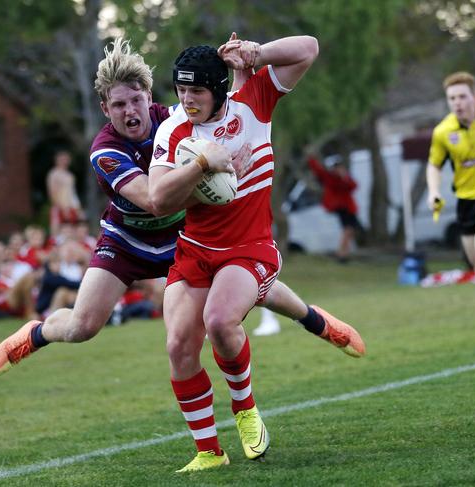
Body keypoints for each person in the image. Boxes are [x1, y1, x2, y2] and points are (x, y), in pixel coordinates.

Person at [0, 38, 363, 385]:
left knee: (254, 286)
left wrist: (246, 62)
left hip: (180, 236)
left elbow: (231, 110)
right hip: (127, 240)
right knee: (82, 326)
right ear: (106, 109)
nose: (129, 111)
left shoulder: (176, 118)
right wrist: (215, 173)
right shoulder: (105, 152)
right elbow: (155, 201)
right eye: (118, 105)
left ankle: (316, 321)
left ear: (148, 96)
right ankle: (36, 334)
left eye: (135, 100)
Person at [147, 36, 364, 471]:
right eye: (181, 90)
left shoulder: (253, 101)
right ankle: (208, 453)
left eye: (197, 91)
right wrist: (201, 165)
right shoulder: (173, 131)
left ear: (219, 89)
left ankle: (244, 408)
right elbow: (158, 199)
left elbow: (310, 48)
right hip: (196, 251)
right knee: (178, 346)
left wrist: (256, 53)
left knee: (220, 322)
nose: (187, 100)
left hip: (249, 247)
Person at [427, 71, 475, 289]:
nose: (457, 103)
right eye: (452, 98)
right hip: (466, 201)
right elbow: (434, 165)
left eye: (462, 96)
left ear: (474, 96)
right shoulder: (443, 132)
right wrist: (433, 191)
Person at [308, 154, 362, 262]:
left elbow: (353, 186)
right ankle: (341, 254)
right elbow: (319, 171)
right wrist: (311, 158)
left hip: (349, 208)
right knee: (348, 230)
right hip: (343, 208)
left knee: (350, 231)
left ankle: (344, 252)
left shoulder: (345, 178)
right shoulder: (330, 178)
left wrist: (345, 176)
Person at [47, 150, 84, 236]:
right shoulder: (54, 174)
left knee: (73, 230)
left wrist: (78, 208)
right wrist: (60, 206)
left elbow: (73, 193)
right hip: (60, 206)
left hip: (71, 205)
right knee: (57, 231)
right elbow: (52, 192)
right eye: (62, 159)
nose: (65, 161)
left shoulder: (70, 175)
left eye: (66, 159)